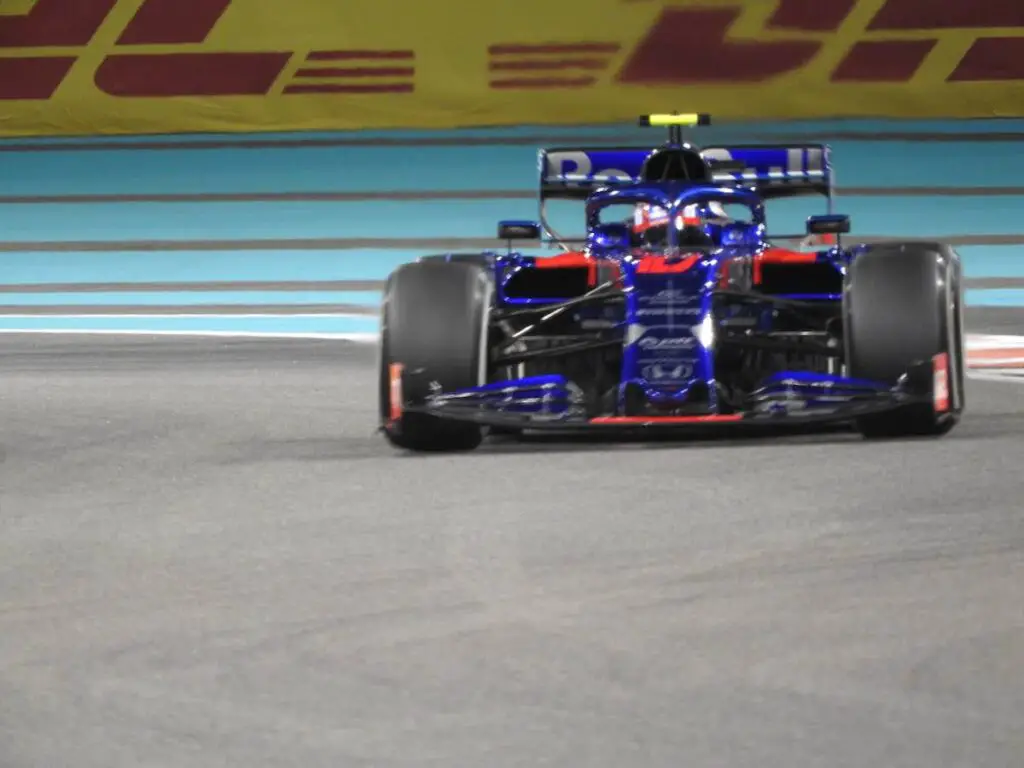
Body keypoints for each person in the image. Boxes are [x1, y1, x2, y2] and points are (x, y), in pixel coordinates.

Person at [631, 200, 732, 247]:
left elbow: (724, 222)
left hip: (694, 248)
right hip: (654, 253)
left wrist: (703, 221)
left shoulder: (703, 203)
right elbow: (637, 238)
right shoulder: (643, 208)